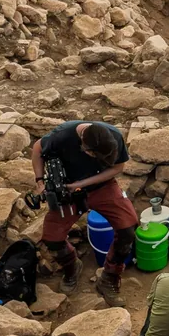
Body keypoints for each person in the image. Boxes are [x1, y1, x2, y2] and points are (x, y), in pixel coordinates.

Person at [30, 119, 133, 299]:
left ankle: (110, 276)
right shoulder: (61, 135)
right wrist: (40, 181)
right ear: (86, 149)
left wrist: (82, 184)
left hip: (101, 185)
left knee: (128, 230)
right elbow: (38, 148)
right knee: (52, 238)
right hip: (67, 190)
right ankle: (71, 266)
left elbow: (118, 167)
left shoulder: (113, 136)